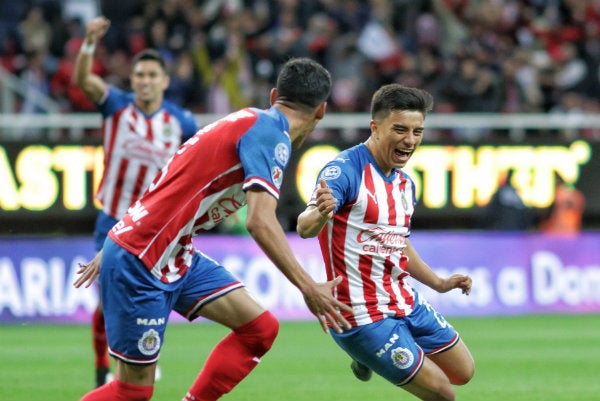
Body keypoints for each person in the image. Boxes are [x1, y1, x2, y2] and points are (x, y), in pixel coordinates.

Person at [73, 56, 352, 401]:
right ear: (321, 110)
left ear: (274, 94)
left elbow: (166, 180)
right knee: (133, 392)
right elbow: (259, 220)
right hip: (142, 260)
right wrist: (308, 287)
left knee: (259, 329)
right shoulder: (271, 137)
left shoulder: (248, 120)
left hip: (169, 250)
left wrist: (122, 235)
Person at [297, 83, 475, 401]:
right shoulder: (344, 170)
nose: (410, 140)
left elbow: (398, 243)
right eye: (400, 130)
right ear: (375, 128)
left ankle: (367, 356)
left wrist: (439, 282)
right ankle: (365, 349)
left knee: (463, 372)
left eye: (417, 131)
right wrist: (321, 214)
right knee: (442, 394)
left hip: (403, 300)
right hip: (360, 313)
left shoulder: (405, 184)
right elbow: (304, 226)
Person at [73, 16, 200, 388]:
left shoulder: (182, 123)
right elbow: (83, 80)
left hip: (156, 228)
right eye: (139, 75)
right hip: (112, 220)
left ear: (164, 80)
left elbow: (194, 167)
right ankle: (107, 370)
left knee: (152, 295)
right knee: (108, 302)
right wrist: (88, 44)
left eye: (151, 75)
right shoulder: (116, 106)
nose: (144, 81)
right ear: (132, 80)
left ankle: (141, 357)